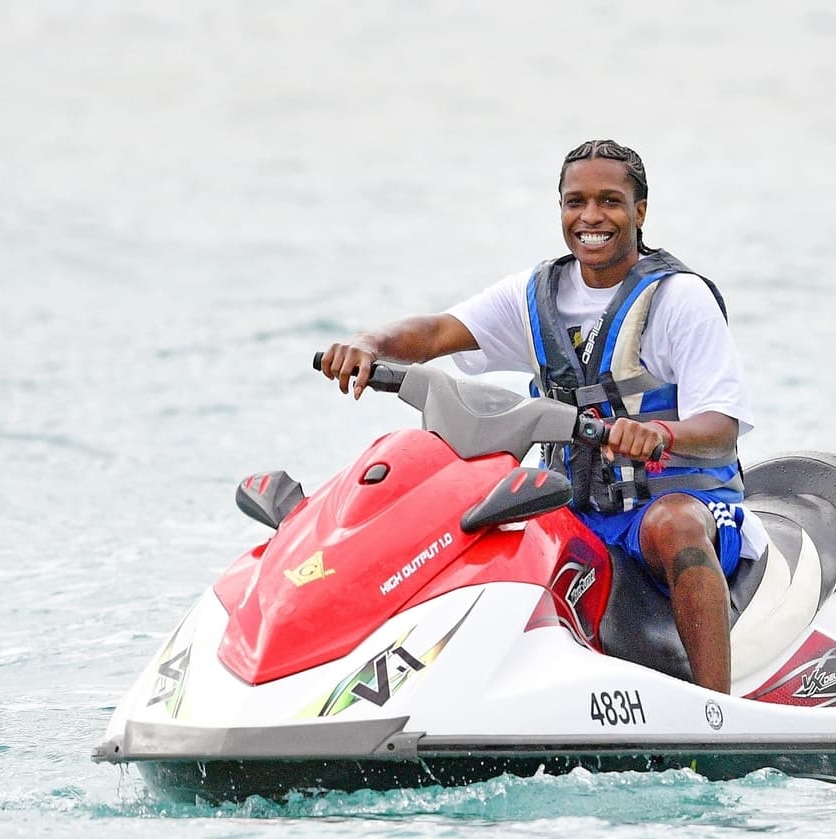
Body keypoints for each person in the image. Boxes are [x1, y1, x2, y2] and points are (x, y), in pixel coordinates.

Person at [320, 139, 756, 694]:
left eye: (610, 201)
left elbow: (721, 427)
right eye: (576, 202)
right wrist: (367, 342)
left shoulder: (679, 298)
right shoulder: (535, 296)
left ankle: (715, 713)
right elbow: (434, 334)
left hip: (675, 505)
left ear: (639, 212)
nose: (591, 217)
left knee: (675, 526)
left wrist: (658, 433)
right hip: (576, 508)